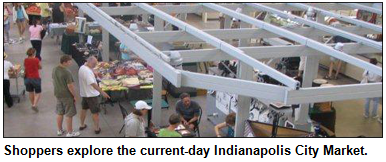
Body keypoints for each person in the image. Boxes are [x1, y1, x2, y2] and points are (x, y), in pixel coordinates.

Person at [78, 56, 110, 134]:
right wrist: (103, 92)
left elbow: (90, 69)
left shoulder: (83, 67)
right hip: (91, 95)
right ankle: (96, 128)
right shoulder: (88, 72)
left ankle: (82, 125)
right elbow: (93, 84)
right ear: (89, 62)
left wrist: (94, 71)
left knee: (84, 109)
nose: (95, 65)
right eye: (94, 64)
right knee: (95, 112)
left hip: (84, 93)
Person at [52, 55, 80, 137]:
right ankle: (70, 132)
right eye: (69, 61)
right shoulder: (67, 72)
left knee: (60, 112)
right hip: (66, 95)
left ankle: (59, 130)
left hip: (58, 94)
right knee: (69, 114)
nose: (70, 63)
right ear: (64, 62)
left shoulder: (55, 69)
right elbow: (70, 86)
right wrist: (74, 95)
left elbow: (53, 80)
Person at [24, 48, 42, 112]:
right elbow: (40, 67)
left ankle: (33, 104)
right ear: (34, 53)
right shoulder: (36, 60)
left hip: (27, 78)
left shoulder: (25, 60)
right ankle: (34, 105)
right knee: (38, 92)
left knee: (30, 92)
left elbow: (26, 67)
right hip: (35, 78)